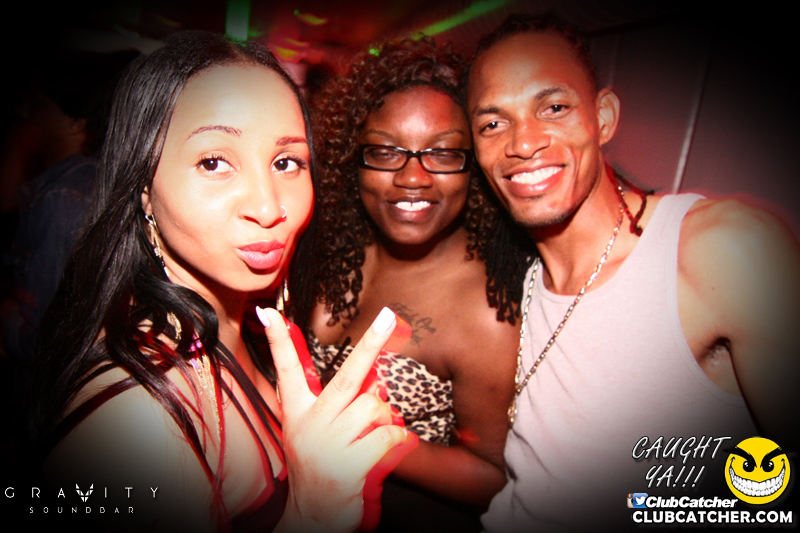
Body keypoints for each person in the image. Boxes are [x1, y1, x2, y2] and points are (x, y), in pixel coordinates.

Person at [27, 30, 414, 532]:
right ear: (143, 188)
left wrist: (352, 493)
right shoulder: (132, 419)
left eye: (286, 162)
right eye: (214, 162)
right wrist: (314, 514)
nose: (269, 207)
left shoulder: (251, 329)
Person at [466, 13, 800, 532]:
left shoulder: (722, 250)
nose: (523, 143)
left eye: (553, 107)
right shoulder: (515, 278)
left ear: (603, 117)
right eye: (493, 124)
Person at [293, 36, 534, 531]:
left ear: (473, 166)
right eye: (385, 152)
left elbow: (493, 476)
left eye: (442, 154)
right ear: (351, 158)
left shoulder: (485, 311)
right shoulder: (331, 246)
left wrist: (378, 440)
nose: (413, 178)